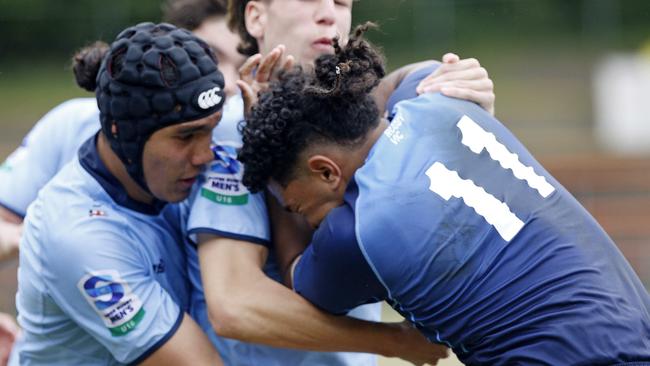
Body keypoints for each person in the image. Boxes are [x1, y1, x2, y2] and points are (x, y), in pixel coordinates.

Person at [237, 25, 650, 365]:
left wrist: (274, 196)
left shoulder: (356, 232)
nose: (310, 220)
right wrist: (316, 105)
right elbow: (416, 73)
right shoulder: (438, 101)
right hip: (635, 328)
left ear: (326, 170)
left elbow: (296, 276)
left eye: (300, 206)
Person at [186, 1, 495, 365]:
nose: (328, 14)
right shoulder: (228, 128)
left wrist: (467, 103)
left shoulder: (368, 118)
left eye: (340, 2)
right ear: (256, 16)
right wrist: (393, 341)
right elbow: (236, 306)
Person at [9, 22, 226, 365]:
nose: (206, 155)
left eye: (212, 130)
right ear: (119, 130)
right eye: (185, 137)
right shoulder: (78, 233)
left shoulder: (168, 172)